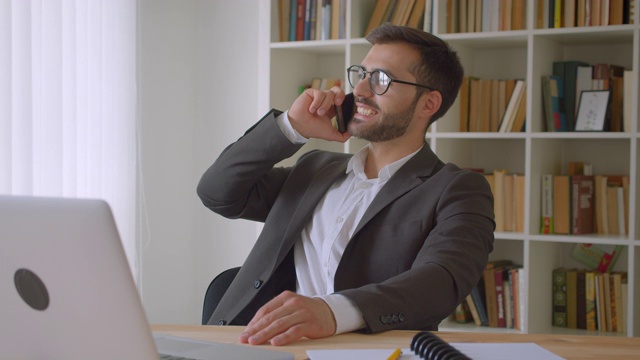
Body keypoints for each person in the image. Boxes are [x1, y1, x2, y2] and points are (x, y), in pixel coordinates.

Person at [197, 24, 495, 347]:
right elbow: (217, 192)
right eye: (361, 74)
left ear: (428, 104)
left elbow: (441, 281)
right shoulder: (315, 169)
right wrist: (291, 128)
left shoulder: (458, 189)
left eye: (381, 79)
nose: (361, 91)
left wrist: (332, 311)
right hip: (256, 348)